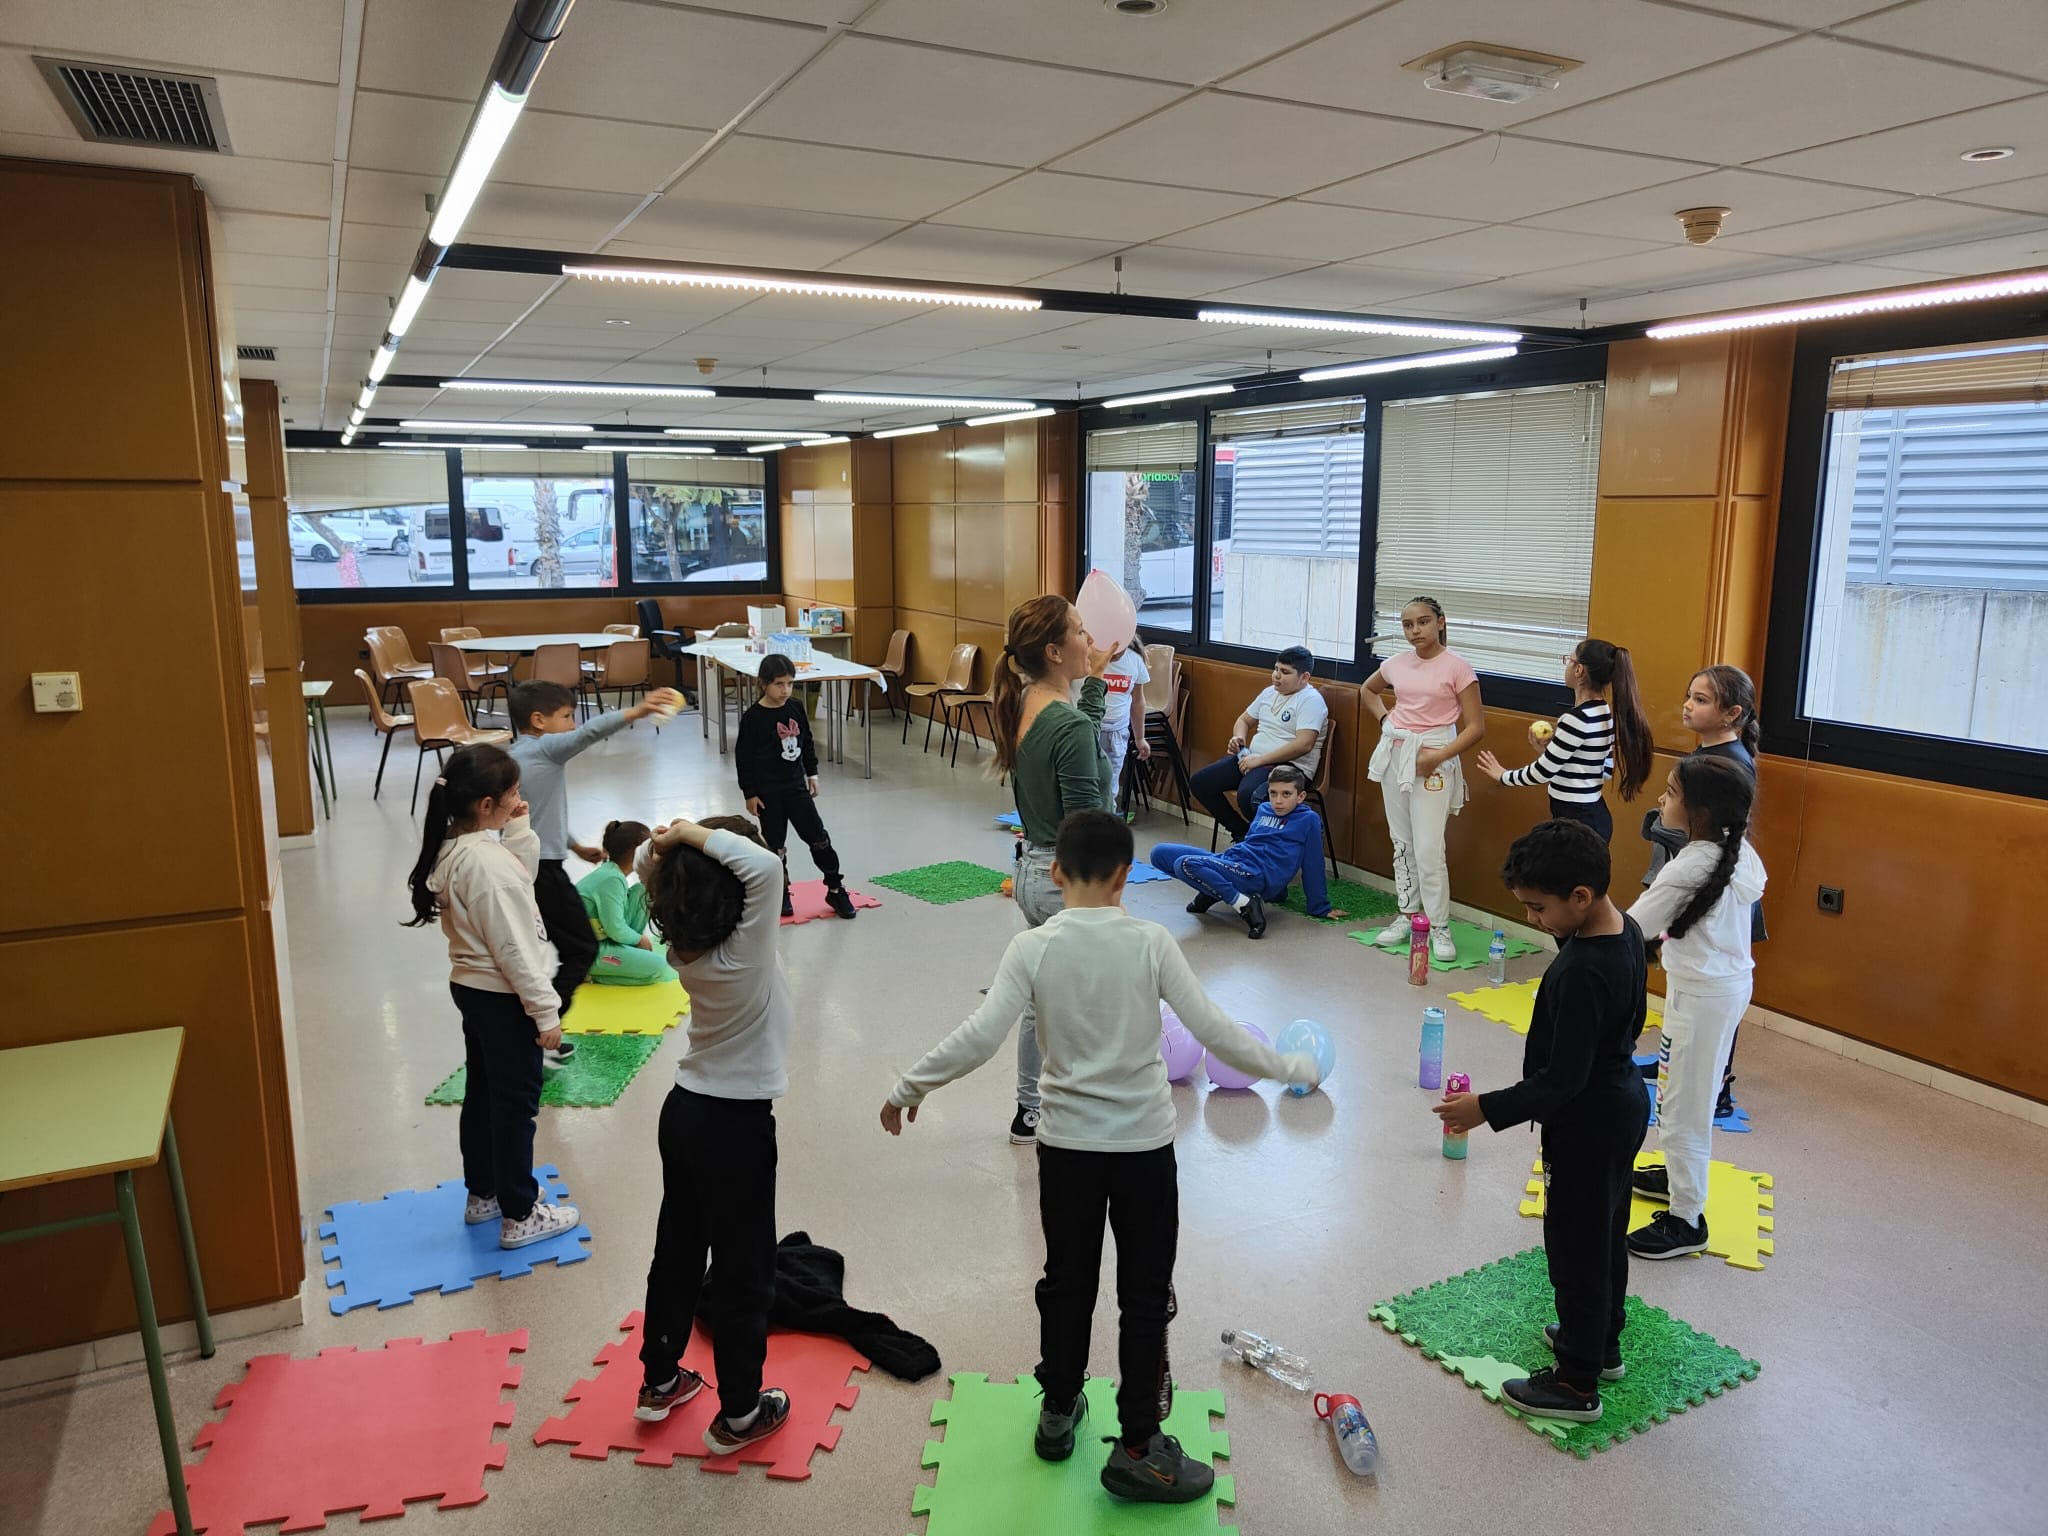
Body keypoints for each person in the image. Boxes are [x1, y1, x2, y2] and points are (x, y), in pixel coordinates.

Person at [881, 810, 1318, 1503]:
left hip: (1066, 1151)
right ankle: (1140, 1447)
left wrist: (911, 1086)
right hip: (1143, 1149)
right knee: (1145, 1297)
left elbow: (982, 1034)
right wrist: (1291, 1063)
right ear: (1124, 878)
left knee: (1067, 1282)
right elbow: (1216, 1032)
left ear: (1055, 873)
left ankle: (1058, 1411)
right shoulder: (1149, 942)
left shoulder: (1034, 947)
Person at [1434, 820, 1649, 1424]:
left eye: (1538, 908)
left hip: (1588, 1120)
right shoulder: (1624, 928)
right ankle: (1601, 1343)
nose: (1534, 920)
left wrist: (1486, 1110)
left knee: (1575, 1249)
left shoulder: (1583, 970)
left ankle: (1577, 1385)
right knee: (1604, 1232)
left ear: (1581, 897)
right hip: (1620, 1103)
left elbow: (1562, 1081)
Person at [629, 814, 794, 1457]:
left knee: (678, 1249)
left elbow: (650, 863)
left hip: (687, 1112)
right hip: (735, 1126)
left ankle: (661, 1379)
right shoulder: (743, 951)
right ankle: (743, 1413)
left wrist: (670, 842)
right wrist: (693, 835)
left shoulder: (687, 948)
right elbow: (768, 867)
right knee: (743, 1269)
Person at [405, 744, 582, 1250]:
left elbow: (514, 879)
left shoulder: (463, 846)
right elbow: (514, 947)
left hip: (473, 989)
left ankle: (483, 1194)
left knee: (484, 1094)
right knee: (516, 1106)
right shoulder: (485, 865)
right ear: (486, 804)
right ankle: (520, 1213)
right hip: (503, 996)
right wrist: (545, 1012)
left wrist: (519, 829)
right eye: (512, 794)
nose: (518, 798)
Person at [991, 593, 1121, 1146]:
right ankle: (1058, 1106)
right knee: (1085, 1001)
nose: (1089, 638)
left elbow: (1079, 738)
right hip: (1067, 879)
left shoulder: (1028, 700)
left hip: (1035, 872)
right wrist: (1106, 885)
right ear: (1054, 648)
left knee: (1046, 997)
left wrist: (1094, 681)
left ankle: (1032, 1108)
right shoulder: (1063, 723)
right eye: (1079, 631)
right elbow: (1086, 822)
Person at [1625, 757, 1765, 1261]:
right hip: (1716, 988)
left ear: (1700, 810)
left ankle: (1687, 1220)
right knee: (1677, 1085)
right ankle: (1675, 1173)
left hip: (1704, 996)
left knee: (1685, 1101)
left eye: (1670, 792)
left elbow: (1631, 928)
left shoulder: (1692, 865)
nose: (1662, 801)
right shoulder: (1736, 851)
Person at [508, 677, 682, 1044]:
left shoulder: (516, 755)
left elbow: (535, 815)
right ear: (538, 720)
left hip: (526, 865)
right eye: (566, 716)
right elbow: (586, 735)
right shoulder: (544, 749)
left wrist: (573, 846)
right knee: (582, 948)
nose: (572, 724)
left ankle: (536, 1025)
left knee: (535, 950)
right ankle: (543, 1028)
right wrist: (639, 709)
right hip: (543, 871)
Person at [1640, 664, 1766, 1119]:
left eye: (1701, 699)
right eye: (1689, 696)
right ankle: (1674, 1060)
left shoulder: (1732, 762)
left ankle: (1718, 1088)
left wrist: (1664, 836)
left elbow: (1715, 839)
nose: (1688, 706)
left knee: (1710, 995)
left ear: (1732, 714)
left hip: (1710, 890)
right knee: (1686, 986)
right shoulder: (1704, 756)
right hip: (1695, 880)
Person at [1365, 598, 1485, 967]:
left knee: (1429, 848)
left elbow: (1476, 727)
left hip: (1434, 758)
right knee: (1402, 843)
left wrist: (1438, 756)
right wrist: (1386, 720)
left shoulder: (1458, 667)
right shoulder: (1396, 663)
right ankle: (1407, 914)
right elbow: (1367, 691)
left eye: (1422, 622)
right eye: (1407, 624)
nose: (1415, 630)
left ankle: (1438, 925)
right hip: (1396, 756)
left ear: (1440, 622)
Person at [1475, 638, 1653, 843]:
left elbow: (1543, 772)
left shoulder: (1574, 720)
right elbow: (1603, 770)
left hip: (1575, 822)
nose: (1566, 665)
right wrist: (1548, 753)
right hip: (1596, 817)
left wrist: (1503, 776)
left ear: (1579, 670)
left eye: (1568, 660)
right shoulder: (1604, 712)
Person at [1147, 764, 1346, 938]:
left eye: (1286, 794)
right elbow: (1251, 844)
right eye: (1273, 793)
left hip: (1256, 875)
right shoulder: (1264, 809)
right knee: (1159, 853)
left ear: (1300, 796)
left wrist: (1319, 907)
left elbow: (1313, 863)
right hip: (1233, 861)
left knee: (1185, 865)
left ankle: (1245, 904)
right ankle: (1214, 890)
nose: (1278, 800)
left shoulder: (1308, 820)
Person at [735, 653, 857, 921]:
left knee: (819, 838)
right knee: (775, 846)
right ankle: (781, 891)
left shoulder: (796, 708)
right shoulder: (753, 718)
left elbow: (806, 742)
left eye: (790, 683)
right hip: (768, 794)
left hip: (796, 788)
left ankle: (835, 888)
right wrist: (750, 793)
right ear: (764, 683)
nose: (785, 690)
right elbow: (743, 758)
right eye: (779, 684)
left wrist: (812, 773)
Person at [1187, 647, 1327, 841]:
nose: (1277, 676)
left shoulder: (1311, 701)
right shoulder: (1269, 692)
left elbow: (1304, 744)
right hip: (1254, 759)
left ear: (1304, 677)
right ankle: (1243, 834)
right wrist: (1239, 739)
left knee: (1249, 796)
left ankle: (1273, 844)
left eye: (1285, 672)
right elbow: (1243, 721)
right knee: (1200, 782)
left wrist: (1260, 760)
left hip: (1290, 766)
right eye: (1276, 669)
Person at [576, 820, 675, 986]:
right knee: (658, 966)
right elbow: (615, 929)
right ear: (637, 851)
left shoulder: (613, 874)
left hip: (603, 939)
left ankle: (625, 953)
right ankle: (590, 973)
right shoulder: (611, 879)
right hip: (587, 952)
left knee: (643, 890)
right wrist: (639, 940)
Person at [1097, 646, 1152, 814]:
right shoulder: (1090, 656)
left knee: (1110, 786)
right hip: (1090, 730)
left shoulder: (1134, 660)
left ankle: (1106, 825)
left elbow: (1137, 702)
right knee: (1088, 784)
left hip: (1117, 733)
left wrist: (1140, 737)